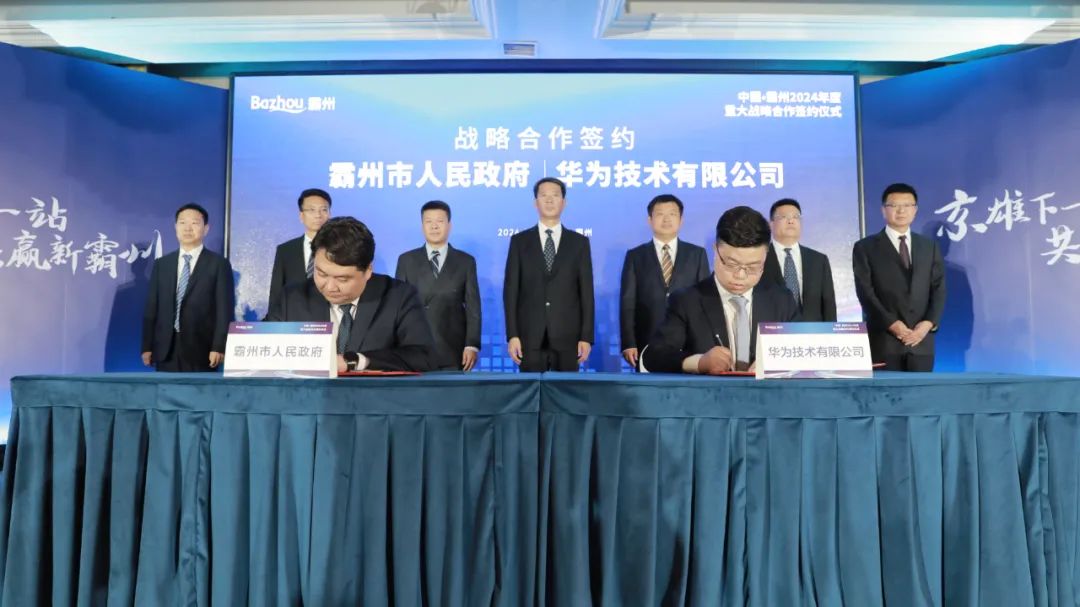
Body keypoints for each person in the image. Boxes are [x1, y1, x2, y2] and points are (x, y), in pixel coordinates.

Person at [641, 205, 800, 374]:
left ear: (765, 256)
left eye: (753, 267)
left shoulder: (782, 300)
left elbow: (806, 350)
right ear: (715, 250)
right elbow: (655, 356)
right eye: (731, 264)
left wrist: (778, 361)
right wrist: (699, 362)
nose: (740, 275)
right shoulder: (686, 301)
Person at [265, 216, 435, 373]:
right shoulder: (292, 298)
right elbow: (262, 348)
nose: (330, 287)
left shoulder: (399, 296)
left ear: (368, 270)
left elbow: (423, 356)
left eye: (342, 279)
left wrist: (356, 361)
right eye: (321, 274)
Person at [503, 177, 594, 372]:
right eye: (544, 195)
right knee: (531, 389)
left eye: (555, 195)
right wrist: (512, 335)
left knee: (566, 390)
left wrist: (586, 337)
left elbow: (586, 293)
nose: (550, 200)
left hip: (568, 336)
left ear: (564, 202)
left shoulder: (579, 243)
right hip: (529, 336)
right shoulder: (520, 242)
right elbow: (511, 292)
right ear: (535, 203)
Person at [852, 183, 945, 371]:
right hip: (884, 341)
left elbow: (938, 289)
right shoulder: (865, 247)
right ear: (883, 210)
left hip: (921, 343)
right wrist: (892, 324)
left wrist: (927, 325)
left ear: (915, 210)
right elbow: (866, 293)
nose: (901, 211)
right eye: (894, 205)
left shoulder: (929, 247)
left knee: (921, 390)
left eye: (907, 205)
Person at [619, 194, 710, 369]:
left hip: (689, 341)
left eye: (672, 214)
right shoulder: (635, 256)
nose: (666, 219)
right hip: (646, 340)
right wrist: (628, 342)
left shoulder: (697, 254)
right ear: (650, 220)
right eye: (660, 214)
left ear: (681, 220)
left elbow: (704, 299)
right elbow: (627, 303)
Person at [142, 203, 234, 372]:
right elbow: (152, 308)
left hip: (202, 349)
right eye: (182, 222)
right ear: (175, 227)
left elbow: (224, 310)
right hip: (165, 349)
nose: (188, 228)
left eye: (195, 223)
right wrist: (147, 346)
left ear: (206, 229)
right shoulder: (162, 264)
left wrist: (219, 346)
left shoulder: (218, 264)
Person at [395, 200, 481, 371]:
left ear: (449, 225)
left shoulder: (465, 261)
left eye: (440, 221)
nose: (434, 226)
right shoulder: (406, 260)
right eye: (429, 222)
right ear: (422, 226)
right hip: (414, 347)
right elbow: (397, 306)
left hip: (452, 348)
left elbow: (473, 307)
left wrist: (471, 345)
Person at [761, 198, 837, 322]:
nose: (791, 221)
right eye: (784, 217)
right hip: (772, 330)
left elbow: (828, 304)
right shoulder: (760, 258)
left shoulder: (818, 260)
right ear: (771, 224)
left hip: (812, 331)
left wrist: (831, 331)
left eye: (796, 217)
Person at [268, 188, 332, 310]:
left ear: (329, 214)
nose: (318, 215)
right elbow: (276, 292)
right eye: (312, 210)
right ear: (301, 216)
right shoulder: (286, 250)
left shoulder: (341, 248)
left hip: (331, 314)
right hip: (295, 315)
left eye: (324, 210)